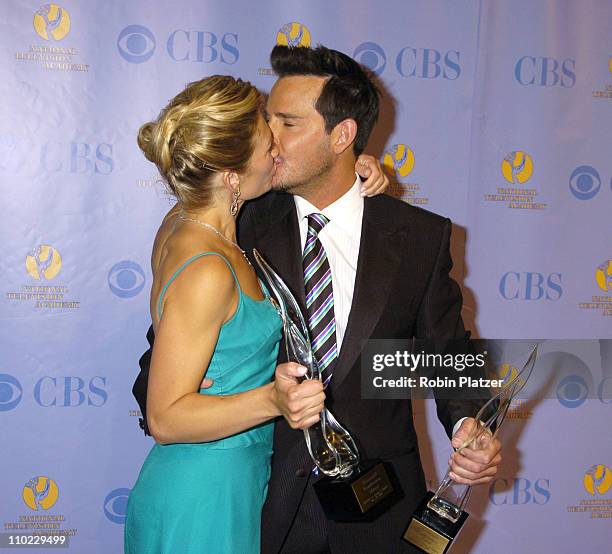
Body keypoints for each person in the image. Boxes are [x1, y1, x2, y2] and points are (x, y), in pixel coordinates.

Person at [234, 45, 503, 553]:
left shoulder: (419, 237)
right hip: (259, 499)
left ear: (342, 136)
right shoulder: (241, 222)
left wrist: (469, 424)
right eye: (269, 120)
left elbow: (446, 354)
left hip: (380, 507)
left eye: (288, 124)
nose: (269, 138)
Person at [125, 75, 388, 554]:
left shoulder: (190, 222)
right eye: (270, 142)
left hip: (234, 483)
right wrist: (273, 401)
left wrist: (351, 170)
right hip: (205, 496)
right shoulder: (208, 266)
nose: (278, 152)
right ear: (230, 174)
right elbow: (165, 416)